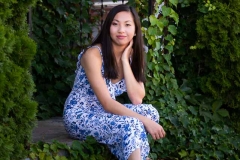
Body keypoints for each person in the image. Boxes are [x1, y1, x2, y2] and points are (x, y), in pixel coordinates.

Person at [63, 4, 166, 160]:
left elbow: (137, 99)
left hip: (105, 115)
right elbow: (107, 103)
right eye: (115, 24)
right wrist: (144, 121)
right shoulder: (93, 55)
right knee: (132, 123)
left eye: (127, 25)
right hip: (81, 116)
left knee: (150, 113)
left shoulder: (131, 57)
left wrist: (125, 61)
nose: (121, 30)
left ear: (136, 30)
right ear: (108, 28)